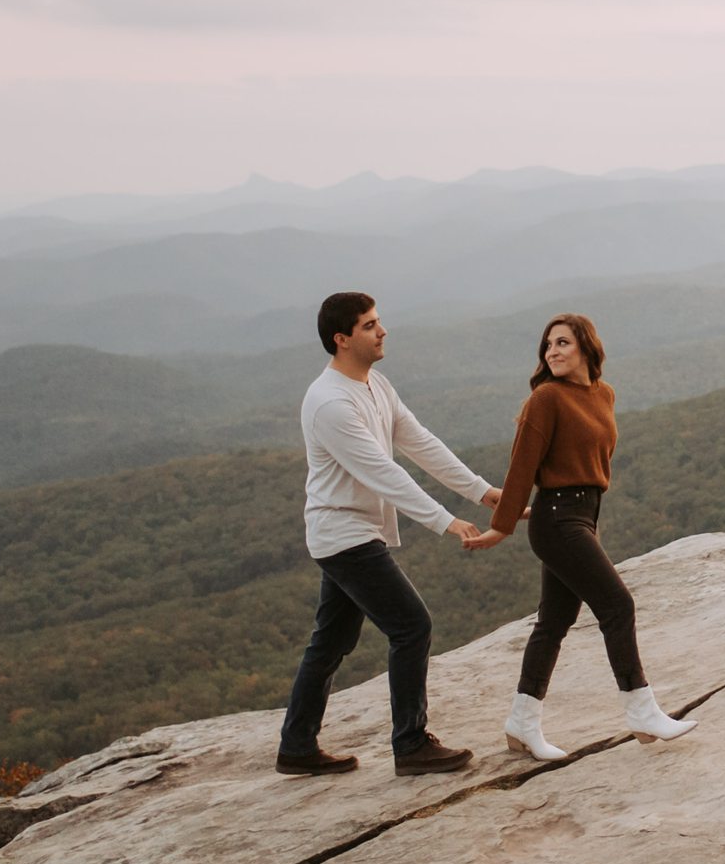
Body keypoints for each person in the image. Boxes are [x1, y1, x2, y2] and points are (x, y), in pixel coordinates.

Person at [277, 291, 507, 778]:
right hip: (344, 534)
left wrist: (484, 493)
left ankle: (296, 746)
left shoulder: (375, 385)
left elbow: (420, 443)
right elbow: (385, 473)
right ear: (341, 340)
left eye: (379, 322)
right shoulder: (329, 404)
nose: (382, 331)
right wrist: (447, 520)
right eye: (369, 326)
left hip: (351, 532)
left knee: (331, 641)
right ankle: (411, 743)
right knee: (411, 625)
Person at [465, 313, 697, 760]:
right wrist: (503, 525)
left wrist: (582, 519)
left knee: (553, 623)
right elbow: (522, 467)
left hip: (583, 516)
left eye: (562, 343)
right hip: (556, 520)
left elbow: (590, 468)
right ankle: (640, 710)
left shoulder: (603, 394)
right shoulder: (546, 399)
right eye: (547, 345)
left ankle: (521, 721)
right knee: (617, 605)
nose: (551, 351)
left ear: (586, 348)